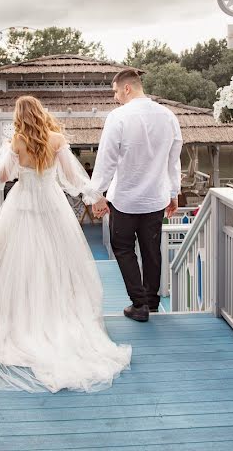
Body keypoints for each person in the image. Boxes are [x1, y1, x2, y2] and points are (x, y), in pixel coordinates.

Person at [0, 96, 131, 393]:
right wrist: (95, 198)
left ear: (19, 116)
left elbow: (2, 176)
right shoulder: (57, 139)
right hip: (52, 205)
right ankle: (56, 314)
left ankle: (21, 318)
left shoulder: (17, 141)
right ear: (41, 113)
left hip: (22, 206)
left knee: (18, 263)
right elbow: (73, 178)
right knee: (56, 262)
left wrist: (8, 152)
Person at [91, 69, 183, 322]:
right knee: (152, 250)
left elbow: (106, 159)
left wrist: (97, 194)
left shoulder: (118, 117)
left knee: (123, 249)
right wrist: (174, 193)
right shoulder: (168, 116)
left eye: (115, 92)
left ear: (127, 88)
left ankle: (139, 304)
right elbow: (173, 160)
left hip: (125, 200)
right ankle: (152, 302)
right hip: (155, 198)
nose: (115, 97)